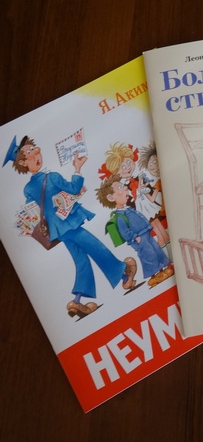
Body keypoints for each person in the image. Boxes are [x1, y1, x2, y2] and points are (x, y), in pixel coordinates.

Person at [6, 136, 137, 318]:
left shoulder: (28, 189)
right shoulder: (52, 177)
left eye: (35, 150)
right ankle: (124, 273)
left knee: (81, 260)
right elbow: (74, 189)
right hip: (70, 224)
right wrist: (77, 168)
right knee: (96, 247)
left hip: (57, 231)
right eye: (29, 153)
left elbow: (33, 210)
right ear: (22, 162)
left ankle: (76, 302)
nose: (36, 154)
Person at [96, 174, 174, 287]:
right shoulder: (119, 216)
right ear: (111, 198)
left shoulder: (128, 209)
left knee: (156, 250)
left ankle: (163, 269)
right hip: (139, 238)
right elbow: (124, 232)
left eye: (123, 185)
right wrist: (135, 238)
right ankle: (154, 276)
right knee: (148, 255)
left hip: (145, 233)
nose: (125, 187)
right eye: (119, 187)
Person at [136, 140, 170, 247]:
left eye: (156, 162)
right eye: (151, 163)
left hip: (167, 210)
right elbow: (151, 198)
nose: (154, 166)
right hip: (163, 211)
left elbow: (151, 199)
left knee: (155, 223)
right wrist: (144, 190)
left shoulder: (160, 181)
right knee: (156, 224)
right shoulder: (156, 183)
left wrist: (144, 192)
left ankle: (163, 241)